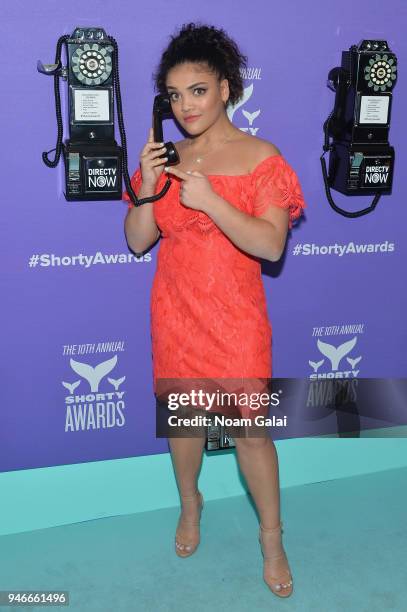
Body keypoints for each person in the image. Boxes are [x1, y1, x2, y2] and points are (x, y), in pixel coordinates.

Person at [123, 22, 306, 599]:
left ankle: (272, 541)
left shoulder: (261, 156)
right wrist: (152, 185)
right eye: (175, 95)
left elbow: (270, 245)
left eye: (197, 90)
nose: (185, 107)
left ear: (226, 88)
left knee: (251, 431)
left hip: (235, 314)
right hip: (175, 308)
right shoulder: (165, 156)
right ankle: (190, 504)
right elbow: (136, 241)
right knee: (185, 421)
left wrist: (208, 200)